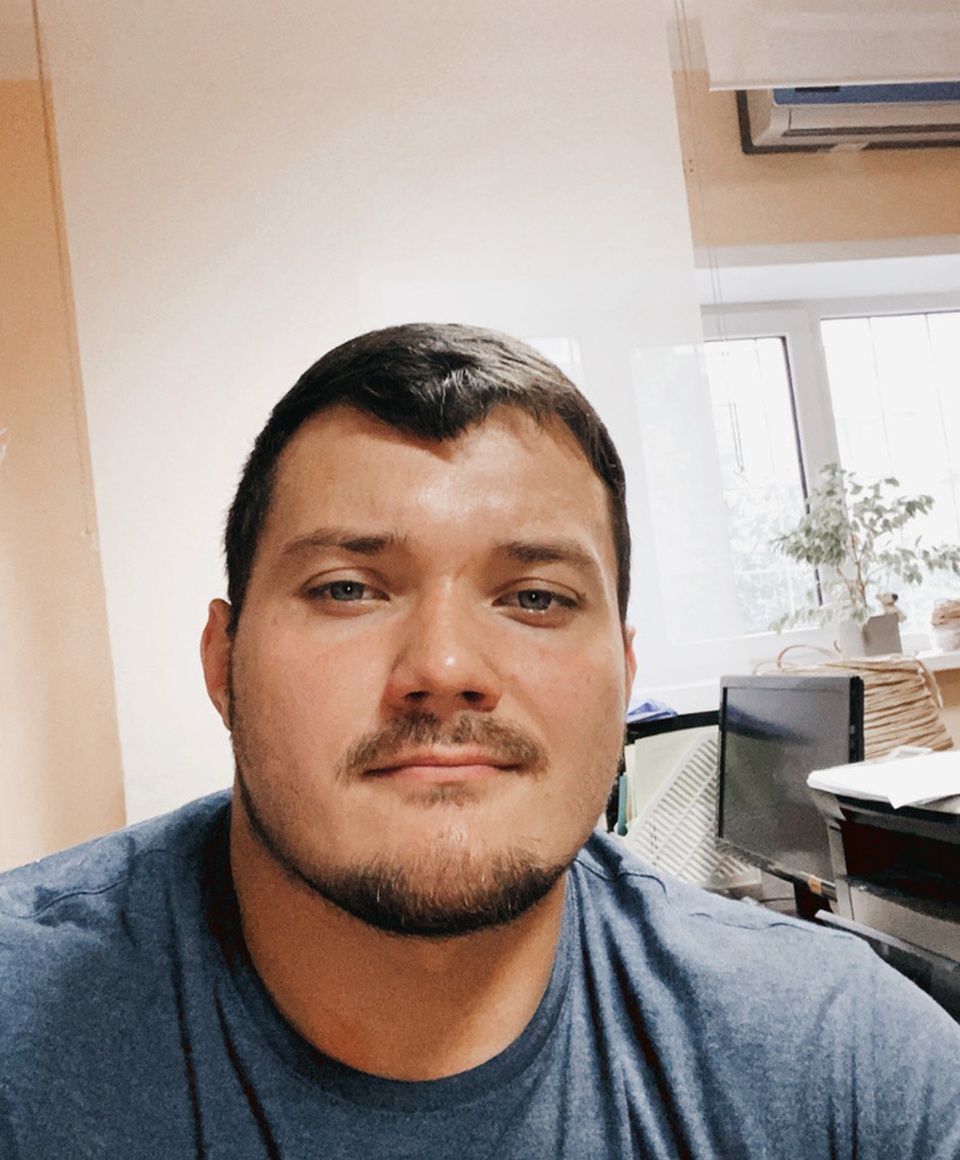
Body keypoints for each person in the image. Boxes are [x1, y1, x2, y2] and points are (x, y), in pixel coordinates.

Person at [1, 323, 959, 1159]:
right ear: (223, 663)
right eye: (347, 589)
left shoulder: (846, 1064)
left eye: (535, 598)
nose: (445, 665)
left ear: (624, 677)